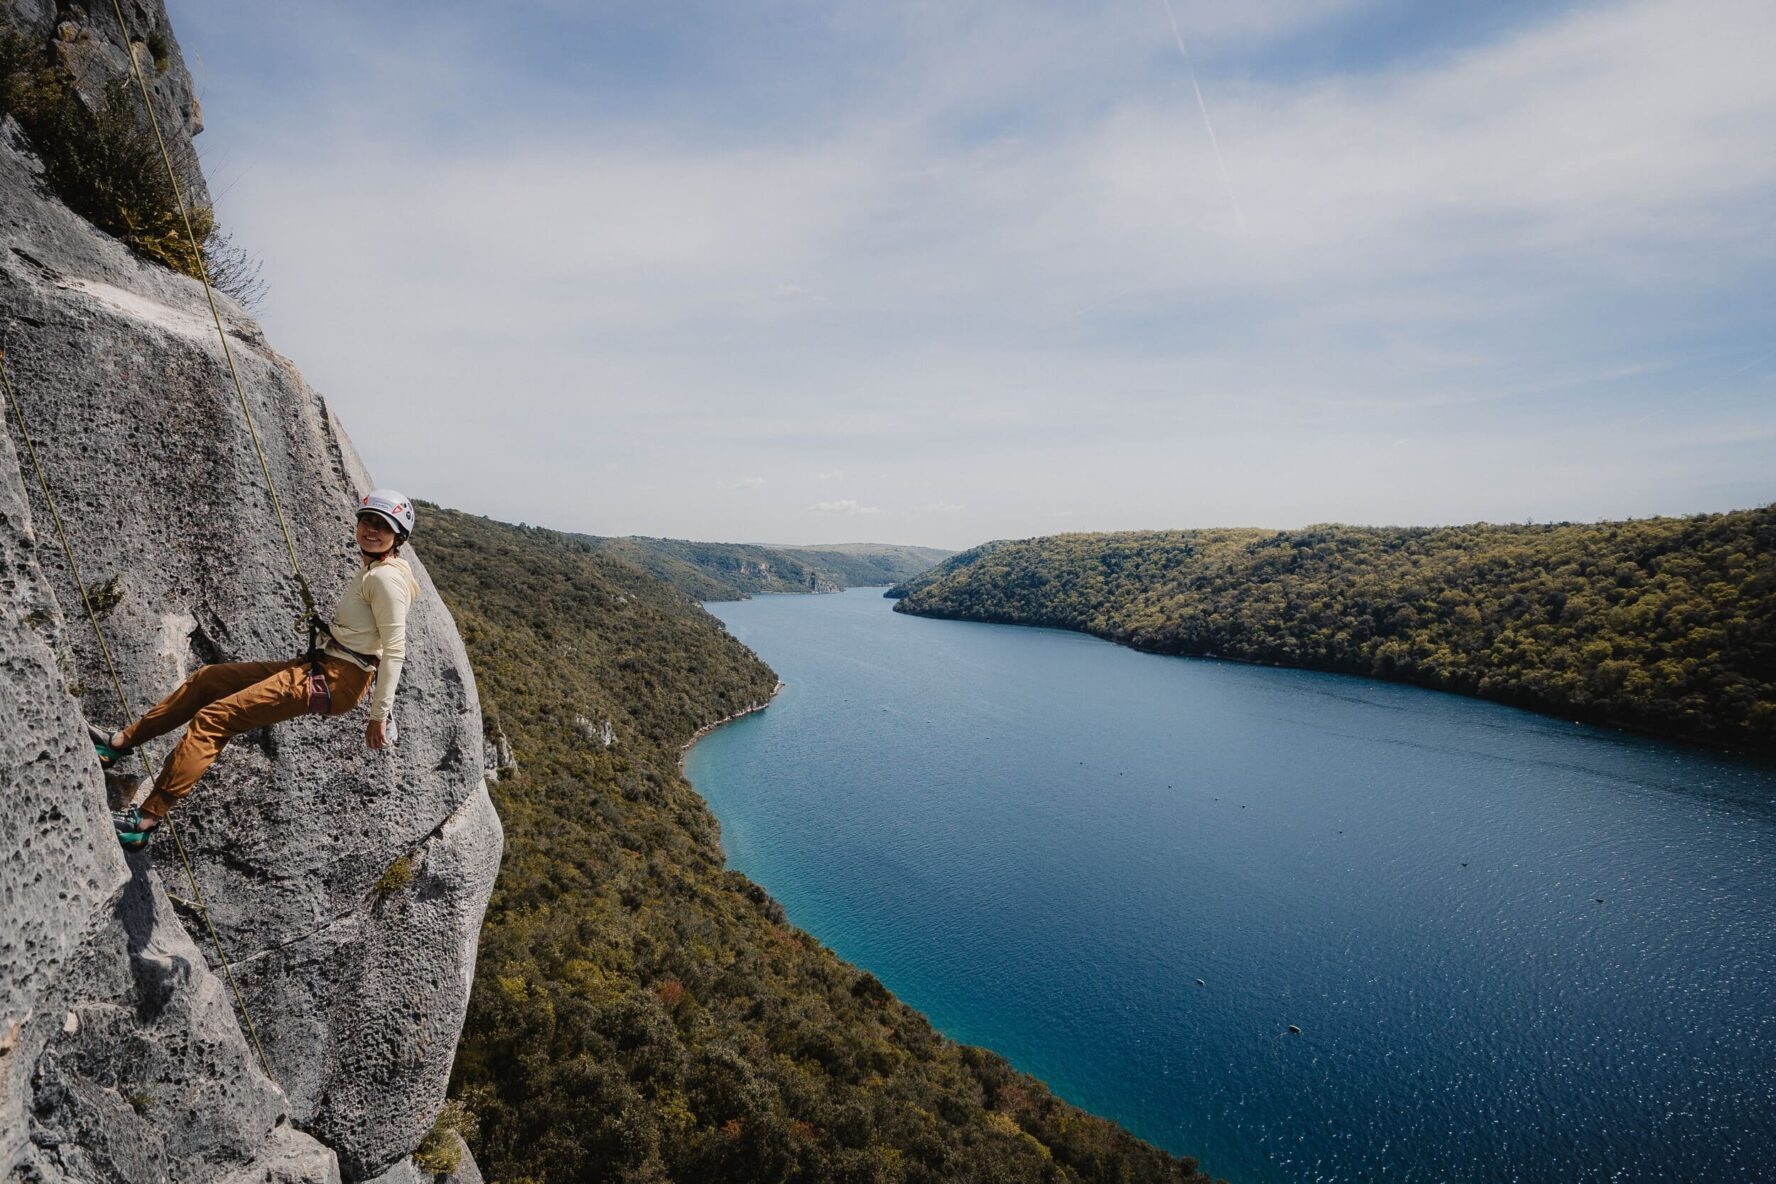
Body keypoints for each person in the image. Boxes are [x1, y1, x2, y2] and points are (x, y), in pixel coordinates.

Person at [94, 490, 421, 850]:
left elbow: (395, 651)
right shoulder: (377, 570)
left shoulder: (385, 579)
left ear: (398, 537)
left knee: (214, 720)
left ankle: (145, 820)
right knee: (211, 679)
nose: (371, 530)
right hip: (325, 667)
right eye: (367, 520)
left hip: (335, 679)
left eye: (382, 526)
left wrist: (379, 715)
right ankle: (121, 743)